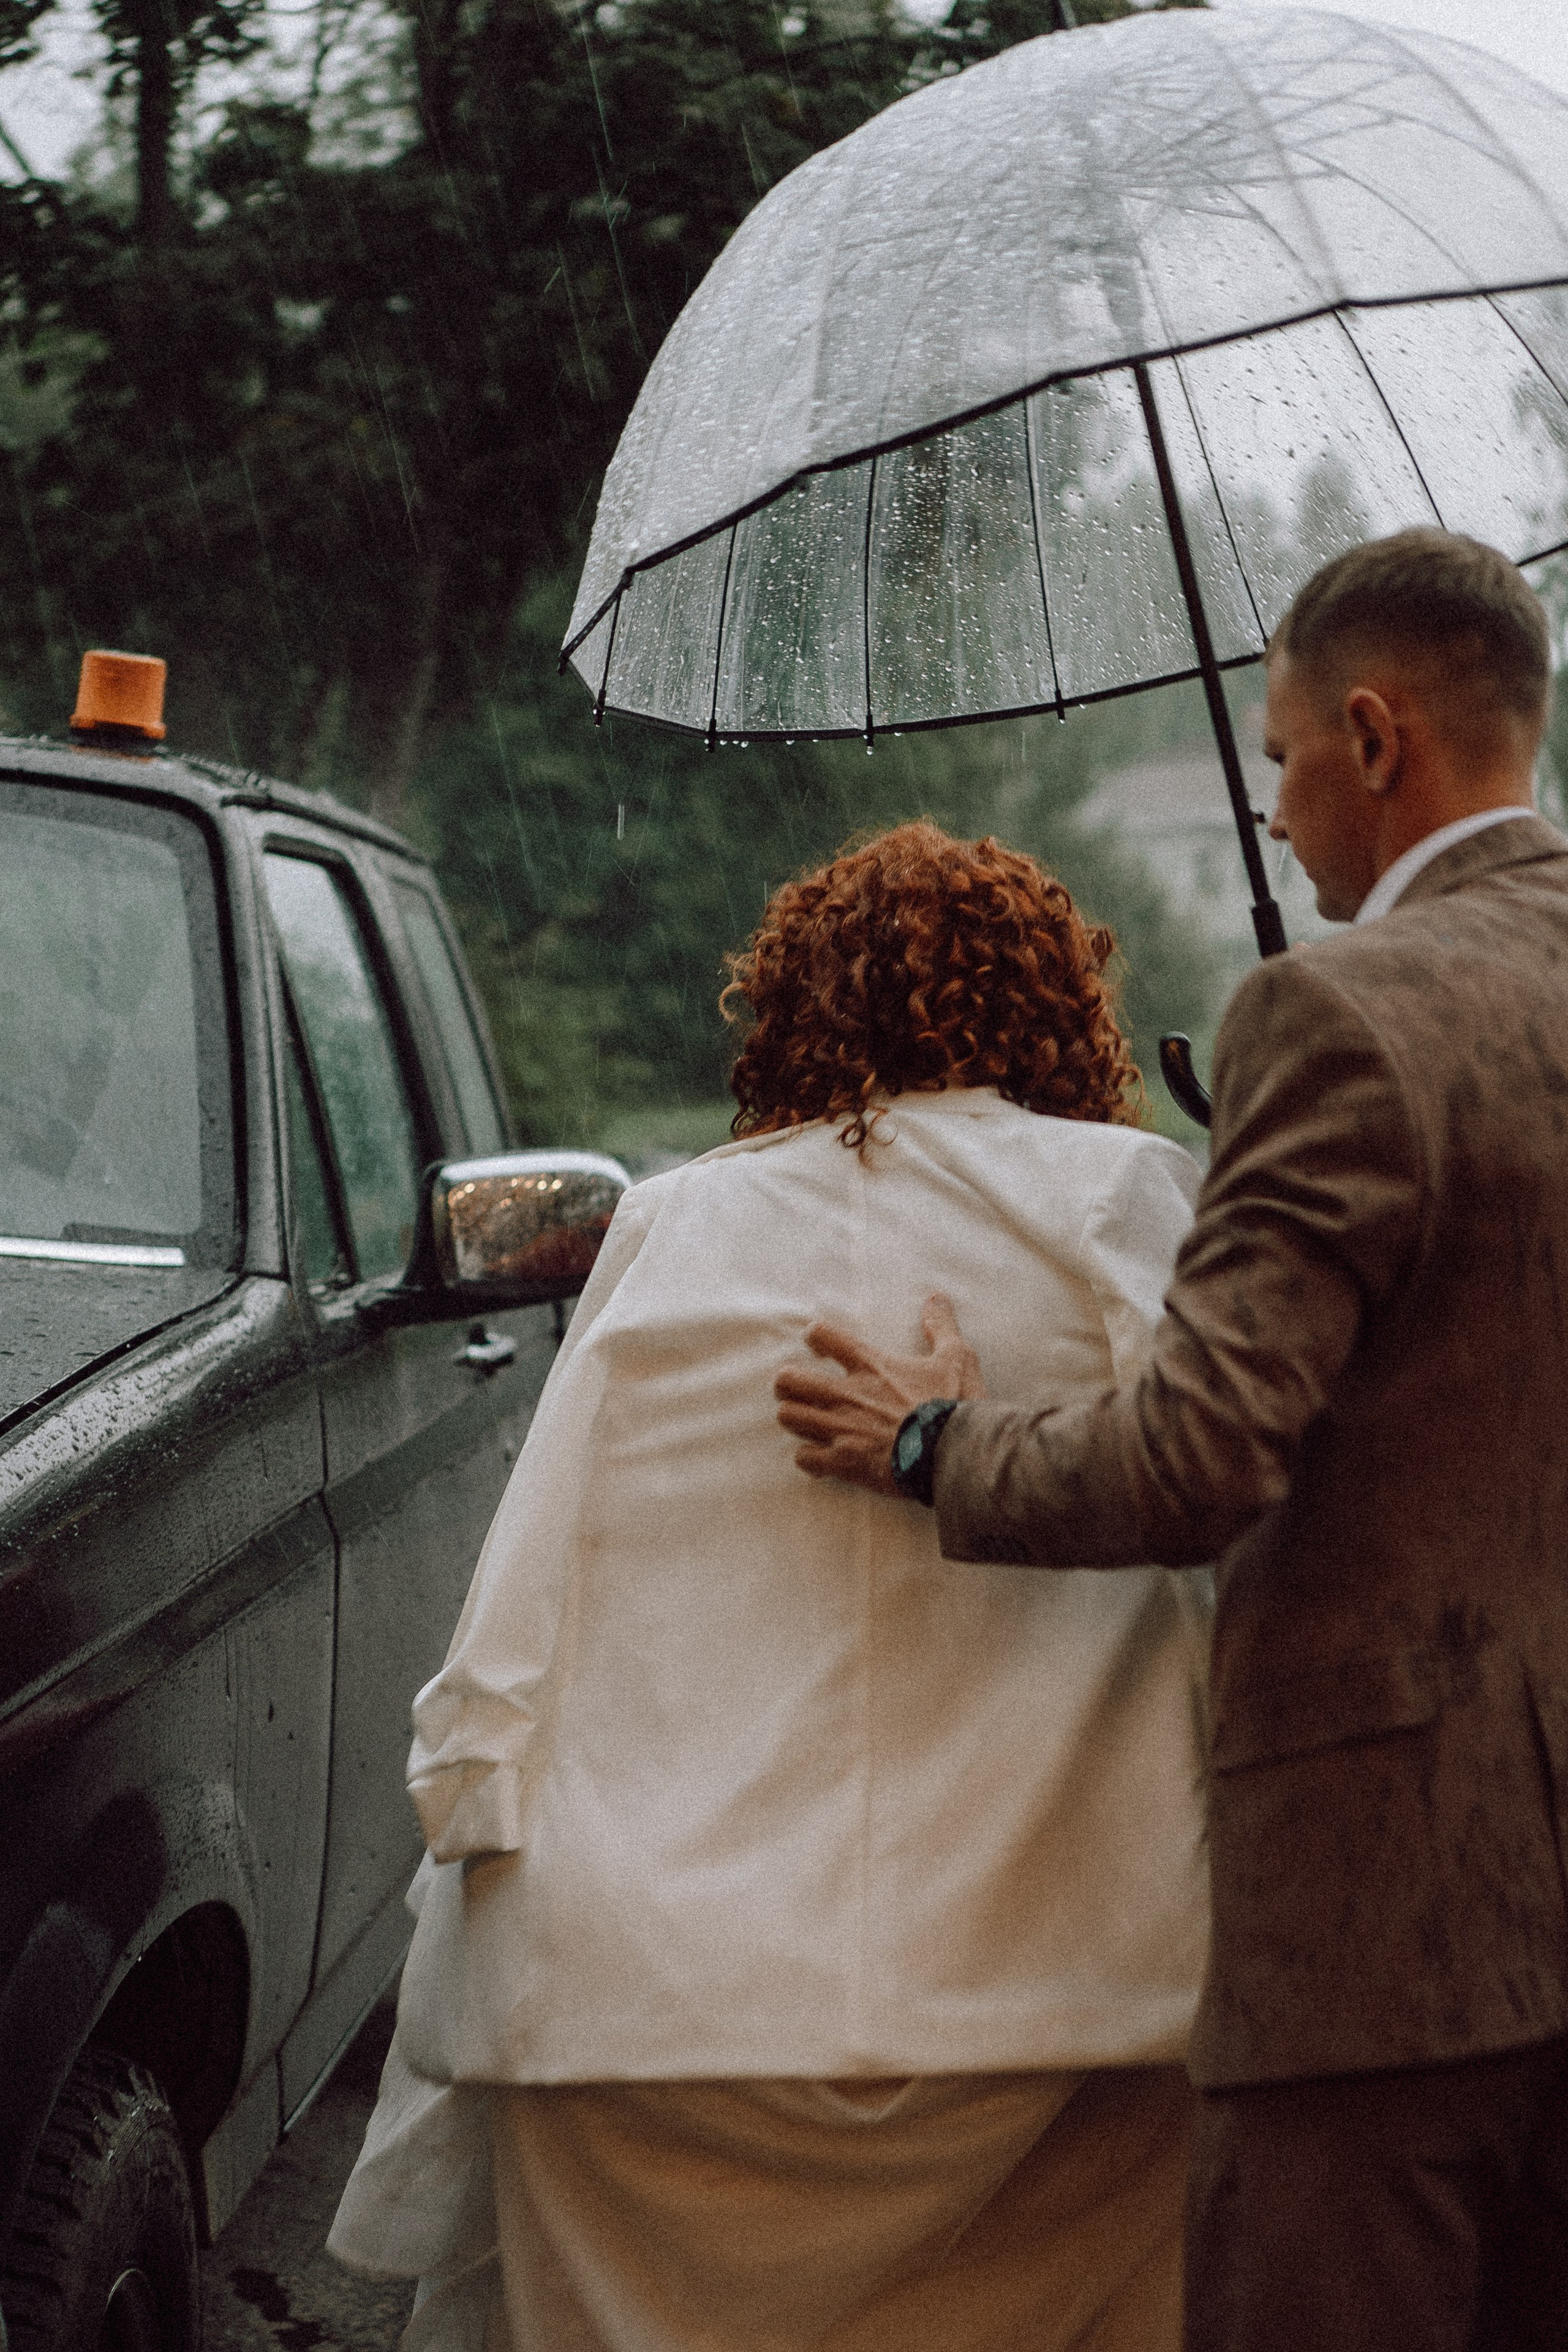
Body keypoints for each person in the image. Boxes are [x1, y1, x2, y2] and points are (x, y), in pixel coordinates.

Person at [774, 532, 1568, 2352]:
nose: (1278, 811)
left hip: (1389, 1938)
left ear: (1377, 739)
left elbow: (1197, 1462)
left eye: (1285, 755)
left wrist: (927, 1440)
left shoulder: (1337, 1012)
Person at [330, 822, 1212, 2352]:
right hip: (1068, 1988)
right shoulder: (1137, 1204)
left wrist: (473, 1810)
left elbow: (525, 1593)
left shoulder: (678, 1221)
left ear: (794, 1008)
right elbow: (1233, 1515)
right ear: (1059, 1005)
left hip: (658, 2012)